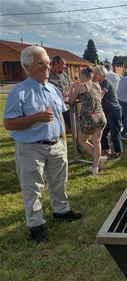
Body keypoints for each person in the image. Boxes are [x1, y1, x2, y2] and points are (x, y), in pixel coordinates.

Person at [4, 46, 82, 244]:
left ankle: (61, 211)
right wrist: (36, 117)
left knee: (59, 181)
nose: (46, 66)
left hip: (56, 144)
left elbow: (60, 117)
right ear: (27, 66)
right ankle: (35, 224)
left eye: (47, 62)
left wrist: (64, 141)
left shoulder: (53, 89)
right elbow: (9, 123)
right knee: (33, 187)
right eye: (41, 63)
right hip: (31, 148)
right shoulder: (19, 92)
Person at [69, 67, 107, 175]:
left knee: (82, 141)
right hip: (101, 115)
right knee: (97, 142)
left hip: (90, 117)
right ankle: (96, 165)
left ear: (82, 76)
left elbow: (71, 100)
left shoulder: (80, 86)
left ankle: (98, 162)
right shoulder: (97, 85)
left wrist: (72, 86)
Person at [93, 66, 123, 161]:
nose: (94, 75)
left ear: (102, 74)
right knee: (104, 131)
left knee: (115, 132)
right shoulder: (100, 83)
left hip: (113, 110)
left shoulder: (105, 82)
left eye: (96, 73)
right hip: (107, 110)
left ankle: (118, 153)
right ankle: (106, 150)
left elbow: (101, 95)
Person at [49, 55, 71, 131]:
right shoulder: (48, 75)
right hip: (54, 107)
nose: (65, 66)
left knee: (72, 125)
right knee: (57, 127)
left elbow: (69, 86)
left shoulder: (65, 75)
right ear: (56, 64)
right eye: (63, 64)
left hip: (67, 105)